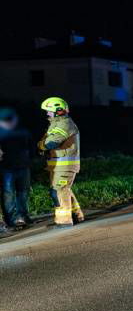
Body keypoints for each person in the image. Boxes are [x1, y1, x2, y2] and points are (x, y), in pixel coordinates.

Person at [37, 97, 83, 228]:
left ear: (58, 111)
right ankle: (76, 215)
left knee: (58, 191)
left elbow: (51, 142)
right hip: (59, 166)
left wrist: (41, 145)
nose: (47, 113)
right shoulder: (57, 123)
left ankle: (64, 221)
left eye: (49, 111)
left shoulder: (64, 124)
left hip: (65, 166)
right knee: (64, 190)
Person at [0, 108, 33, 229]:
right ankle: (11, 219)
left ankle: (23, 216)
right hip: (7, 169)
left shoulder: (23, 132)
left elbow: (31, 148)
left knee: (23, 192)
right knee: (8, 194)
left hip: (23, 166)